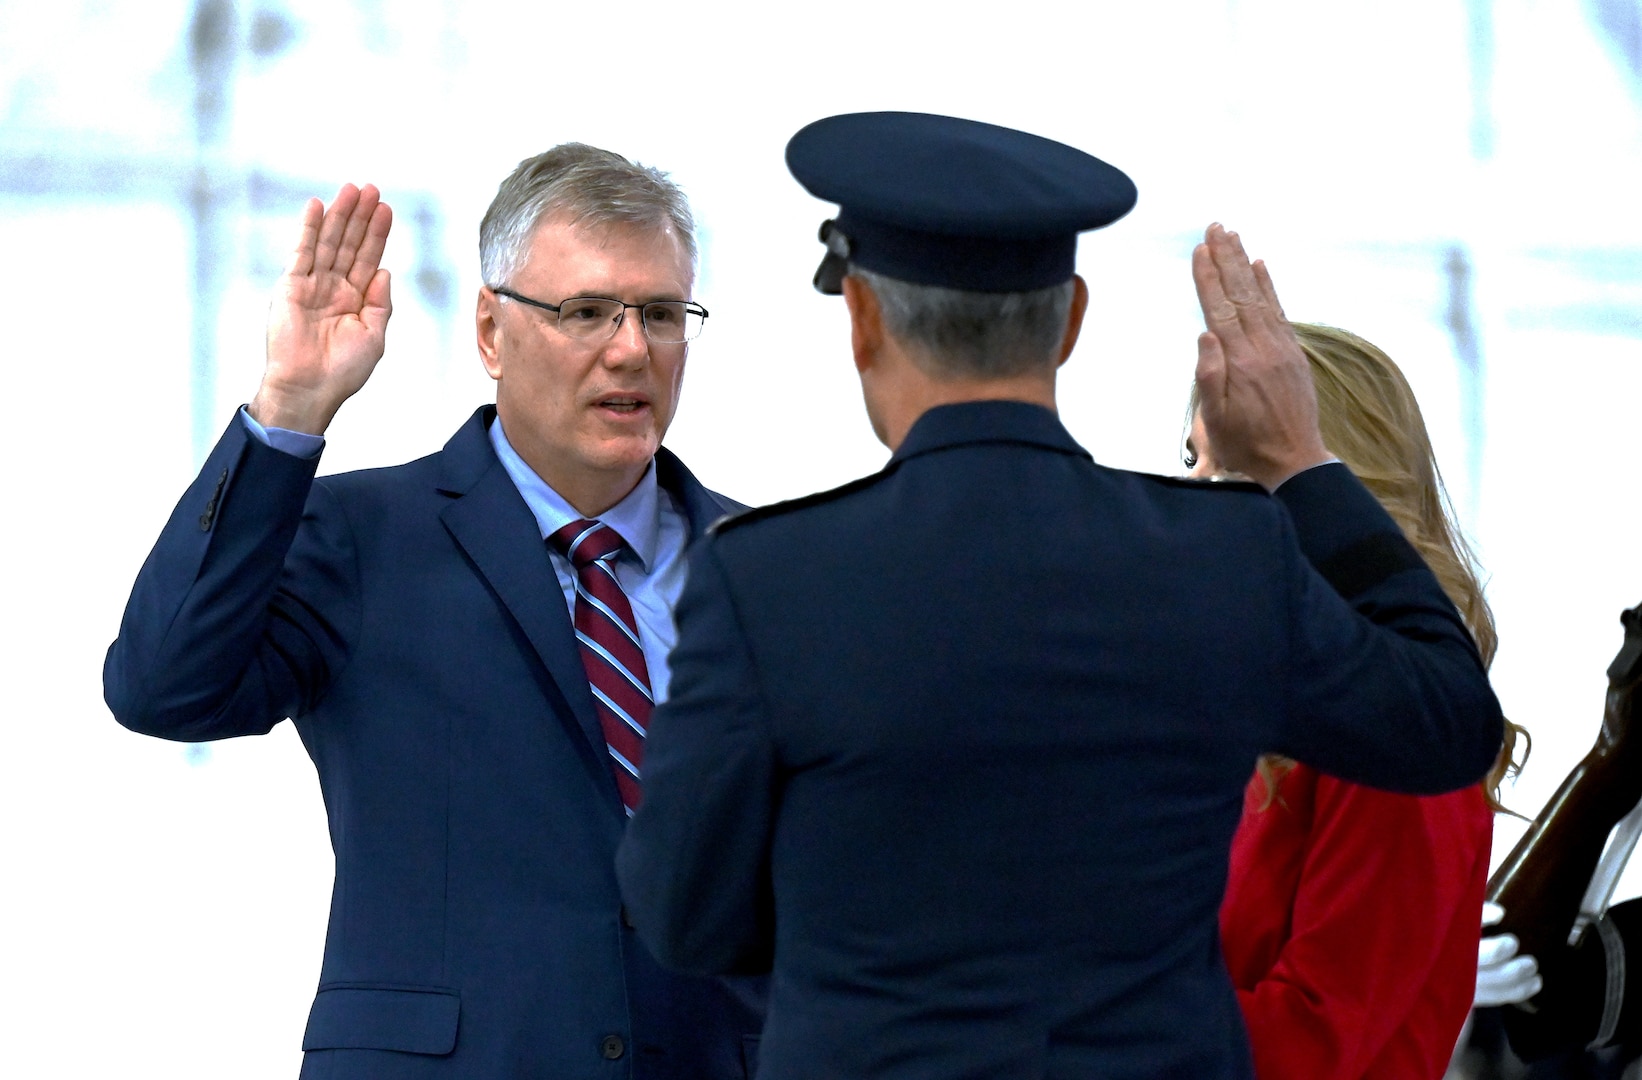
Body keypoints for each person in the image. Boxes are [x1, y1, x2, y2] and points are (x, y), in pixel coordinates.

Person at [614, 110, 1506, 1079]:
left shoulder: (766, 575)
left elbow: (685, 917)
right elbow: (1448, 722)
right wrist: (1301, 464)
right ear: (1071, 319)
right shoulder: (1221, 556)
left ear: (862, 318)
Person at [103, 146, 764, 1077]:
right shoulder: (360, 536)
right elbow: (161, 687)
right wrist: (291, 406)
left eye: (660, 313)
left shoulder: (772, 572)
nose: (630, 349)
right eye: (585, 312)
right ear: (491, 331)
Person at [1190, 322, 1527, 1078]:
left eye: (1240, 472)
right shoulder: (1252, 719)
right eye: (1194, 461)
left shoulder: (1391, 742)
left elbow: (1313, 1040)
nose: (1199, 498)